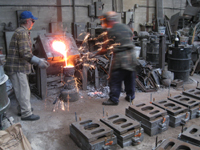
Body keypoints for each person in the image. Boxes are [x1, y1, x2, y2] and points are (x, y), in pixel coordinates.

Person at [4, 11, 49, 121]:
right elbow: (24, 53)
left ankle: (22, 109)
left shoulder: (21, 32)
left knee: (20, 90)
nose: (33, 23)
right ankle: (26, 113)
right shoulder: (22, 33)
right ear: (28, 21)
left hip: (18, 67)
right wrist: (38, 62)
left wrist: (38, 59)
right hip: (17, 68)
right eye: (32, 21)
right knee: (23, 91)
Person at [93, 11, 138, 105]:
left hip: (121, 59)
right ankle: (130, 96)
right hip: (132, 56)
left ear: (107, 21)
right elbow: (131, 36)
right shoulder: (126, 27)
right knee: (129, 78)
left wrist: (95, 54)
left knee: (115, 79)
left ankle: (114, 99)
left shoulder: (110, 31)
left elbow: (105, 49)